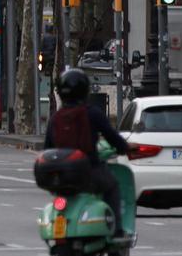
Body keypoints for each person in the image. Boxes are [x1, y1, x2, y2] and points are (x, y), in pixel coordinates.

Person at [43, 68, 129, 236]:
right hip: (88, 172)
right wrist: (123, 147)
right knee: (112, 187)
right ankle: (116, 229)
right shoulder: (92, 113)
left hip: (60, 176)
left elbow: (47, 148)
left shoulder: (56, 118)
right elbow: (112, 136)